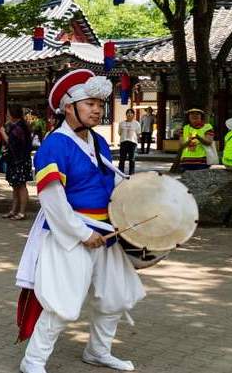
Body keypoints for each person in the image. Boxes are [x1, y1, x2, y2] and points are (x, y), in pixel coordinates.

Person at [16, 69, 144, 373]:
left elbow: (107, 185)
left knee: (114, 297)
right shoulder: (54, 145)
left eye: (100, 104)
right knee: (62, 302)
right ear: (68, 106)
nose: (97, 109)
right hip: (70, 234)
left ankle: (98, 351)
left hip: (106, 232)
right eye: (90, 104)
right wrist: (80, 233)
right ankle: (32, 361)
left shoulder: (98, 142)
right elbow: (53, 200)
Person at [4, 105, 34, 220]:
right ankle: (14, 210)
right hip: (16, 160)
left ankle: (21, 211)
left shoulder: (19, 128)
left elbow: (11, 143)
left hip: (19, 160)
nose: (7, 115)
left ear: (12, 115)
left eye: (8, 113)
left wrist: (3, 132)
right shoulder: (17, 126)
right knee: (15, 186)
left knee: (21, 186)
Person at [117, 109, 140, 175]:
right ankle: (120, 173)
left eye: (131, 113)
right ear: (126, 115)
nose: (129, 114)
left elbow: (138, 134)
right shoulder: (121, 123)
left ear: (133, 115)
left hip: (132, 143)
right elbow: (119, 132)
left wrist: (134, 140)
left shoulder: (136, 124)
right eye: (128, 113)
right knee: (122, 159)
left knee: (132, 159)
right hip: (124, 142)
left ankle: (131, 173)